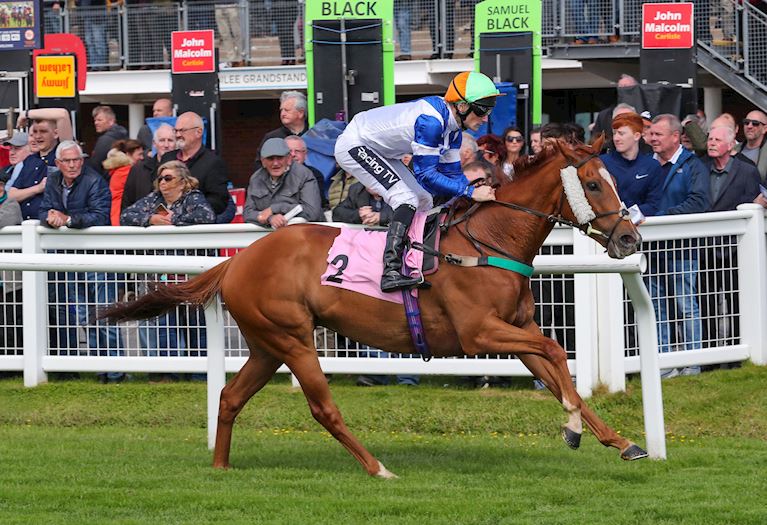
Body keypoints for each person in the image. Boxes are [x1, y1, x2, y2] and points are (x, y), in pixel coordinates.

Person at [334, 70, 498, 292]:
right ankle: (389, 271)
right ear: (461, 106)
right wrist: (469, 193)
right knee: (405, 197)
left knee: (423, 199)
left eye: (490, 109)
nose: (486, 117)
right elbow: (426, 175)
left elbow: (452, 176)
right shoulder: (431, 123)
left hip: (382, 150)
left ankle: (414, 259)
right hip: (356, 143)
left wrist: (473, 188)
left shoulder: (453, 130)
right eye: (482, 109)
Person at [38, 140, 125, 383]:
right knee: (84, 316)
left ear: (82, 160)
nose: (73, 164)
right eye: (67, 160)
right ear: (58, 163)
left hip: (97, 257)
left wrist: (67, 220)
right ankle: (100, 369)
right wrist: (49, 217)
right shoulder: (53, 181)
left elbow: (100, 215)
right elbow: (44, 209)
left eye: (76, 159)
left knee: (105, 314)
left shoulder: (94, 180)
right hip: (69, 258)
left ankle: (116, 371)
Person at [648, 114, 710, 378]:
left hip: (681, 248)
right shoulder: (647, 166)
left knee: (685, 303)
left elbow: (699, 201)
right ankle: (663, 361)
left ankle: (693, 361)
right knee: (656, 304)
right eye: (650, 134)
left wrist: (661, 218)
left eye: (658, 134)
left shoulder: (694, 165)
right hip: (651, 248)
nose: (652, 139)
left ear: (675, 137)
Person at [700, 125, 763, 348]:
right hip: (706, 250)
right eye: (710, 139)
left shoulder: (747, 171)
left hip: (736, 250)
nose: (711, 143)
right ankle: (710, 354)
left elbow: (755, 203)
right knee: (706, 303)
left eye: (717, 139)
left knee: (737, 301)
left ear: (731, 145)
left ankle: (737, 350)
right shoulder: (701, 169)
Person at [159, 112, 233, 220]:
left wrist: (183, 212)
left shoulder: (213, 162)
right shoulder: (167, 158)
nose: (178, 135)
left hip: (196, 228)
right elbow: (156, 191)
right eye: (176, 130)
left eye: (182, 130)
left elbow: (219, 201)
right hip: (164, 224)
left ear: (199, 132)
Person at [243, 138, 324, 228]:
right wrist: (270, 218)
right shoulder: (256, 178)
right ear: (263, 161)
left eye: (280, 158)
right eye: (270, 159)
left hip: (307, 235)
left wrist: (275, 209)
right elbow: (247, 213)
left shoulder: (304, 175)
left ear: (289, 159)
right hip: (269, 236)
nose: (275, 163)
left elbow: (312, 212)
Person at [599, 113, 664, 218]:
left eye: (621, 133)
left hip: (644, 228)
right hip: (608, 227)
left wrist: (627, 215)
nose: (616, 138)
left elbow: (654, 205)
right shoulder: (602, 163)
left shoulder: (652, 166)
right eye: (614, 133)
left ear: (636, 136)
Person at [120, 160, 215, 227]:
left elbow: (207, 216)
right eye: (160, 179)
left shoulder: (192, 197)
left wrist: (173, 218)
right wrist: (150, 219)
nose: (162, 182)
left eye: (168, 178)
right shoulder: (154, 197)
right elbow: (125, 215)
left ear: (182, 183)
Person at [122, 124, 176, 211]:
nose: (166, 145)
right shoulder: (138, 169)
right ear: (154, 144)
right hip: (141, 222)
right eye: (162, 140)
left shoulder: (184, 170)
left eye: (170, 140)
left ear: (176, 144)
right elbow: (127, 203)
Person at [0, 169, 23, 353]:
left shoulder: (11, 204)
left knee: (10, 321)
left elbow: (4, 220)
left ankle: (11, 362)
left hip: (10, 279)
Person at [256, 91, 309, 169]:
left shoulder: (314, 135)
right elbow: (259, 165)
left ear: (300, 113)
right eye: (281, 110)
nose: (282, 114)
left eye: (287, 110)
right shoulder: (271, 138)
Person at [3, 133, 48, 221]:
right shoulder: (5, 171)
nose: (12, 153)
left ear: (31, 148)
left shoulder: (40, 167)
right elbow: (9, 196)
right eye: (10, 149)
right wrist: (37, 188)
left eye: (17, 149)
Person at [102, 139, 144, 225]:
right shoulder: (126, 171)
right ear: (128, 154)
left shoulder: (119, 169)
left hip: (115, 212)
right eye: (139, 154)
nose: (142, 158)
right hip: (119, 214)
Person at [285, 135, 329, 210]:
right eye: (289, 151)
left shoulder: (314, 174)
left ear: (305, 154)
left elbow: (316, 203)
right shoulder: (274, 173)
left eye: (297, 151)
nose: (293, 154)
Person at [89, 105, 128, 176]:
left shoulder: (105, 140)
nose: (96, 123)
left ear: (111, 121)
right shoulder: (124, 135)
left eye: (99, 120)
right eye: (95, 120)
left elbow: (95, 165)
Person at [737, 109, 767, 181]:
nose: (749, 126)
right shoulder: (735, 149)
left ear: (765, 129)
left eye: (755, 123)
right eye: (746, 122)